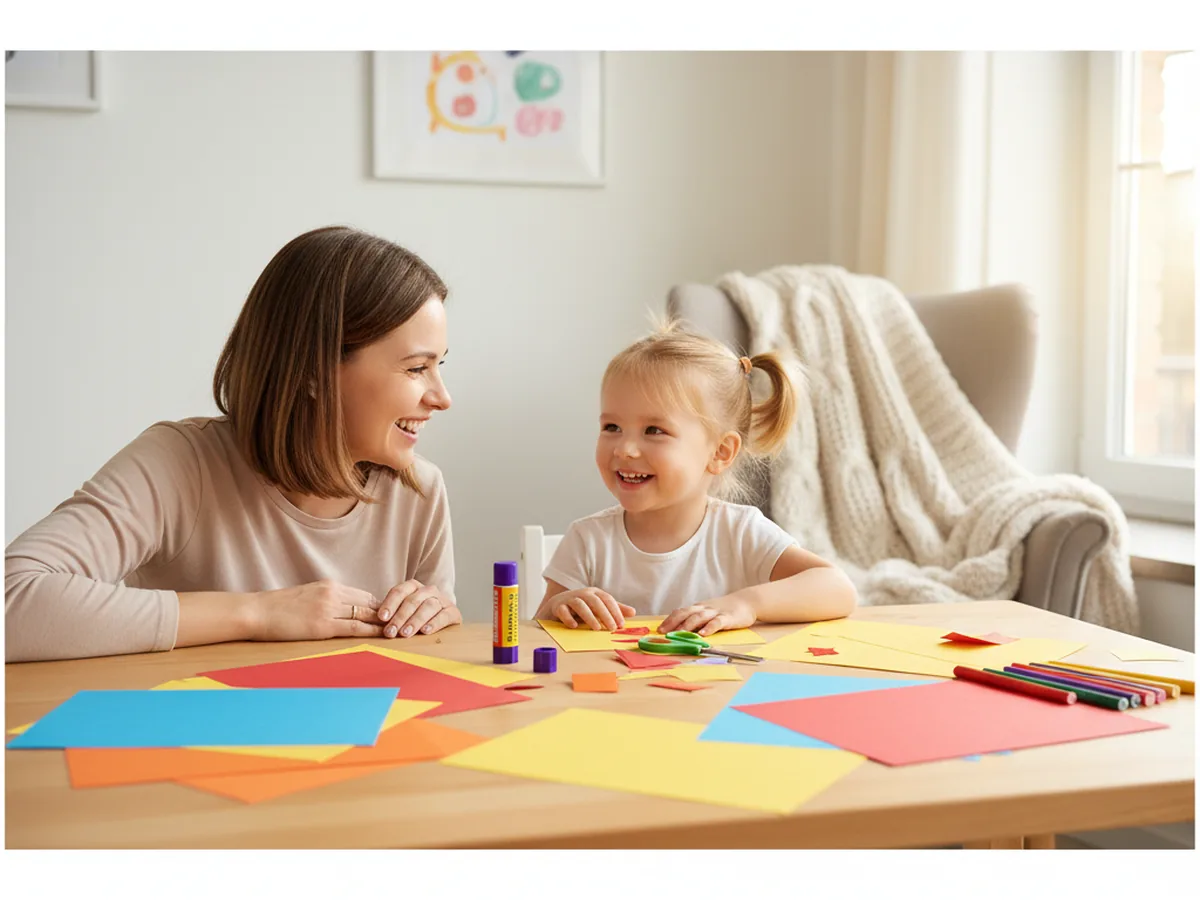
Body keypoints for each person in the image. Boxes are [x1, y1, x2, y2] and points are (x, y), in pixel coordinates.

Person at [5, 225, 462, 662]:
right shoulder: (181, 464)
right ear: (313, 372)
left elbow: (427, 668)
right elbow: (13, 598)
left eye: (439, 364)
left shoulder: (419, 491)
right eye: (417, 368)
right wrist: (259, 613)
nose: (442, 398)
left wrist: (436, 615)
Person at [535, 319, 857, 636]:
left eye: (654, 430)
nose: (625, 449)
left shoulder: (740, 533)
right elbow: (537, 630)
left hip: (719, 688)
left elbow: (838, 588)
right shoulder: (587, 541)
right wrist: (561, 606)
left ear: (720, 452)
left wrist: (746, 604)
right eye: (612, 428)